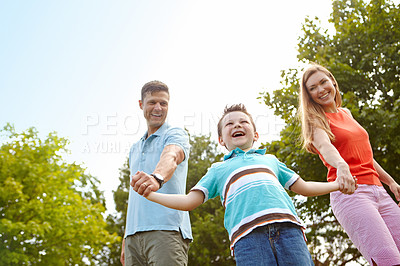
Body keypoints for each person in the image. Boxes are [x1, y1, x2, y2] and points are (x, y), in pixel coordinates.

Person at [143, 103, 345, 266]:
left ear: (255, 135)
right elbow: (189, 201)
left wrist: (338, 184)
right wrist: (150, 194)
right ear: (222, 140)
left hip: (289, 232)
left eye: (243, 122)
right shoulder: (218, 169)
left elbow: (304, 187)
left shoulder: (271, 161)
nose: (237, 125)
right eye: (230, 124)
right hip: (248, 240)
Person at [298, 63, 400, 265]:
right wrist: (341, 166)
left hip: (379, 192)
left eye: (323, 82)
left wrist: (390, 182)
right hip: (351, 194)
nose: (320, 90)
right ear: (308, 95)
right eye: (313, 88)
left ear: (332, 82)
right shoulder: (315, 120)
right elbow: (326, 147)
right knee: (388, 259)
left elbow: (365, 155)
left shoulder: (346, 114)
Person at [121, 80, 192, 266]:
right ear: (141, 104)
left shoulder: (175, 134)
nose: (158, 108)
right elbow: (134, 196)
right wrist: (125, 237)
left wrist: (157, 177)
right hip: (133, 239)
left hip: (166, 231)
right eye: (152, 102)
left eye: (164, 103)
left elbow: (172, 155)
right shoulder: (135, 148)